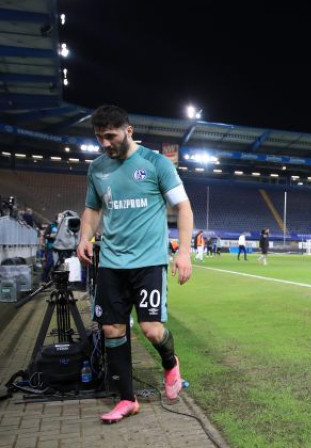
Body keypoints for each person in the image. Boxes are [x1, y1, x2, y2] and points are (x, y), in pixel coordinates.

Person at [76, 105, 193, 423]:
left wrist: (183, 252)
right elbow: (92, 208)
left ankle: (170, 362)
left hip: (149, 262)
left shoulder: (156, 164)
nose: (104, 143)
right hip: (112, 261)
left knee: (152, 330)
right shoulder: (97, 168)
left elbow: (183, 207)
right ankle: (127, 399)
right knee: (112, 328)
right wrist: (85, 236)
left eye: (110, 136)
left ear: (128, 131)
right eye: (99, 137)